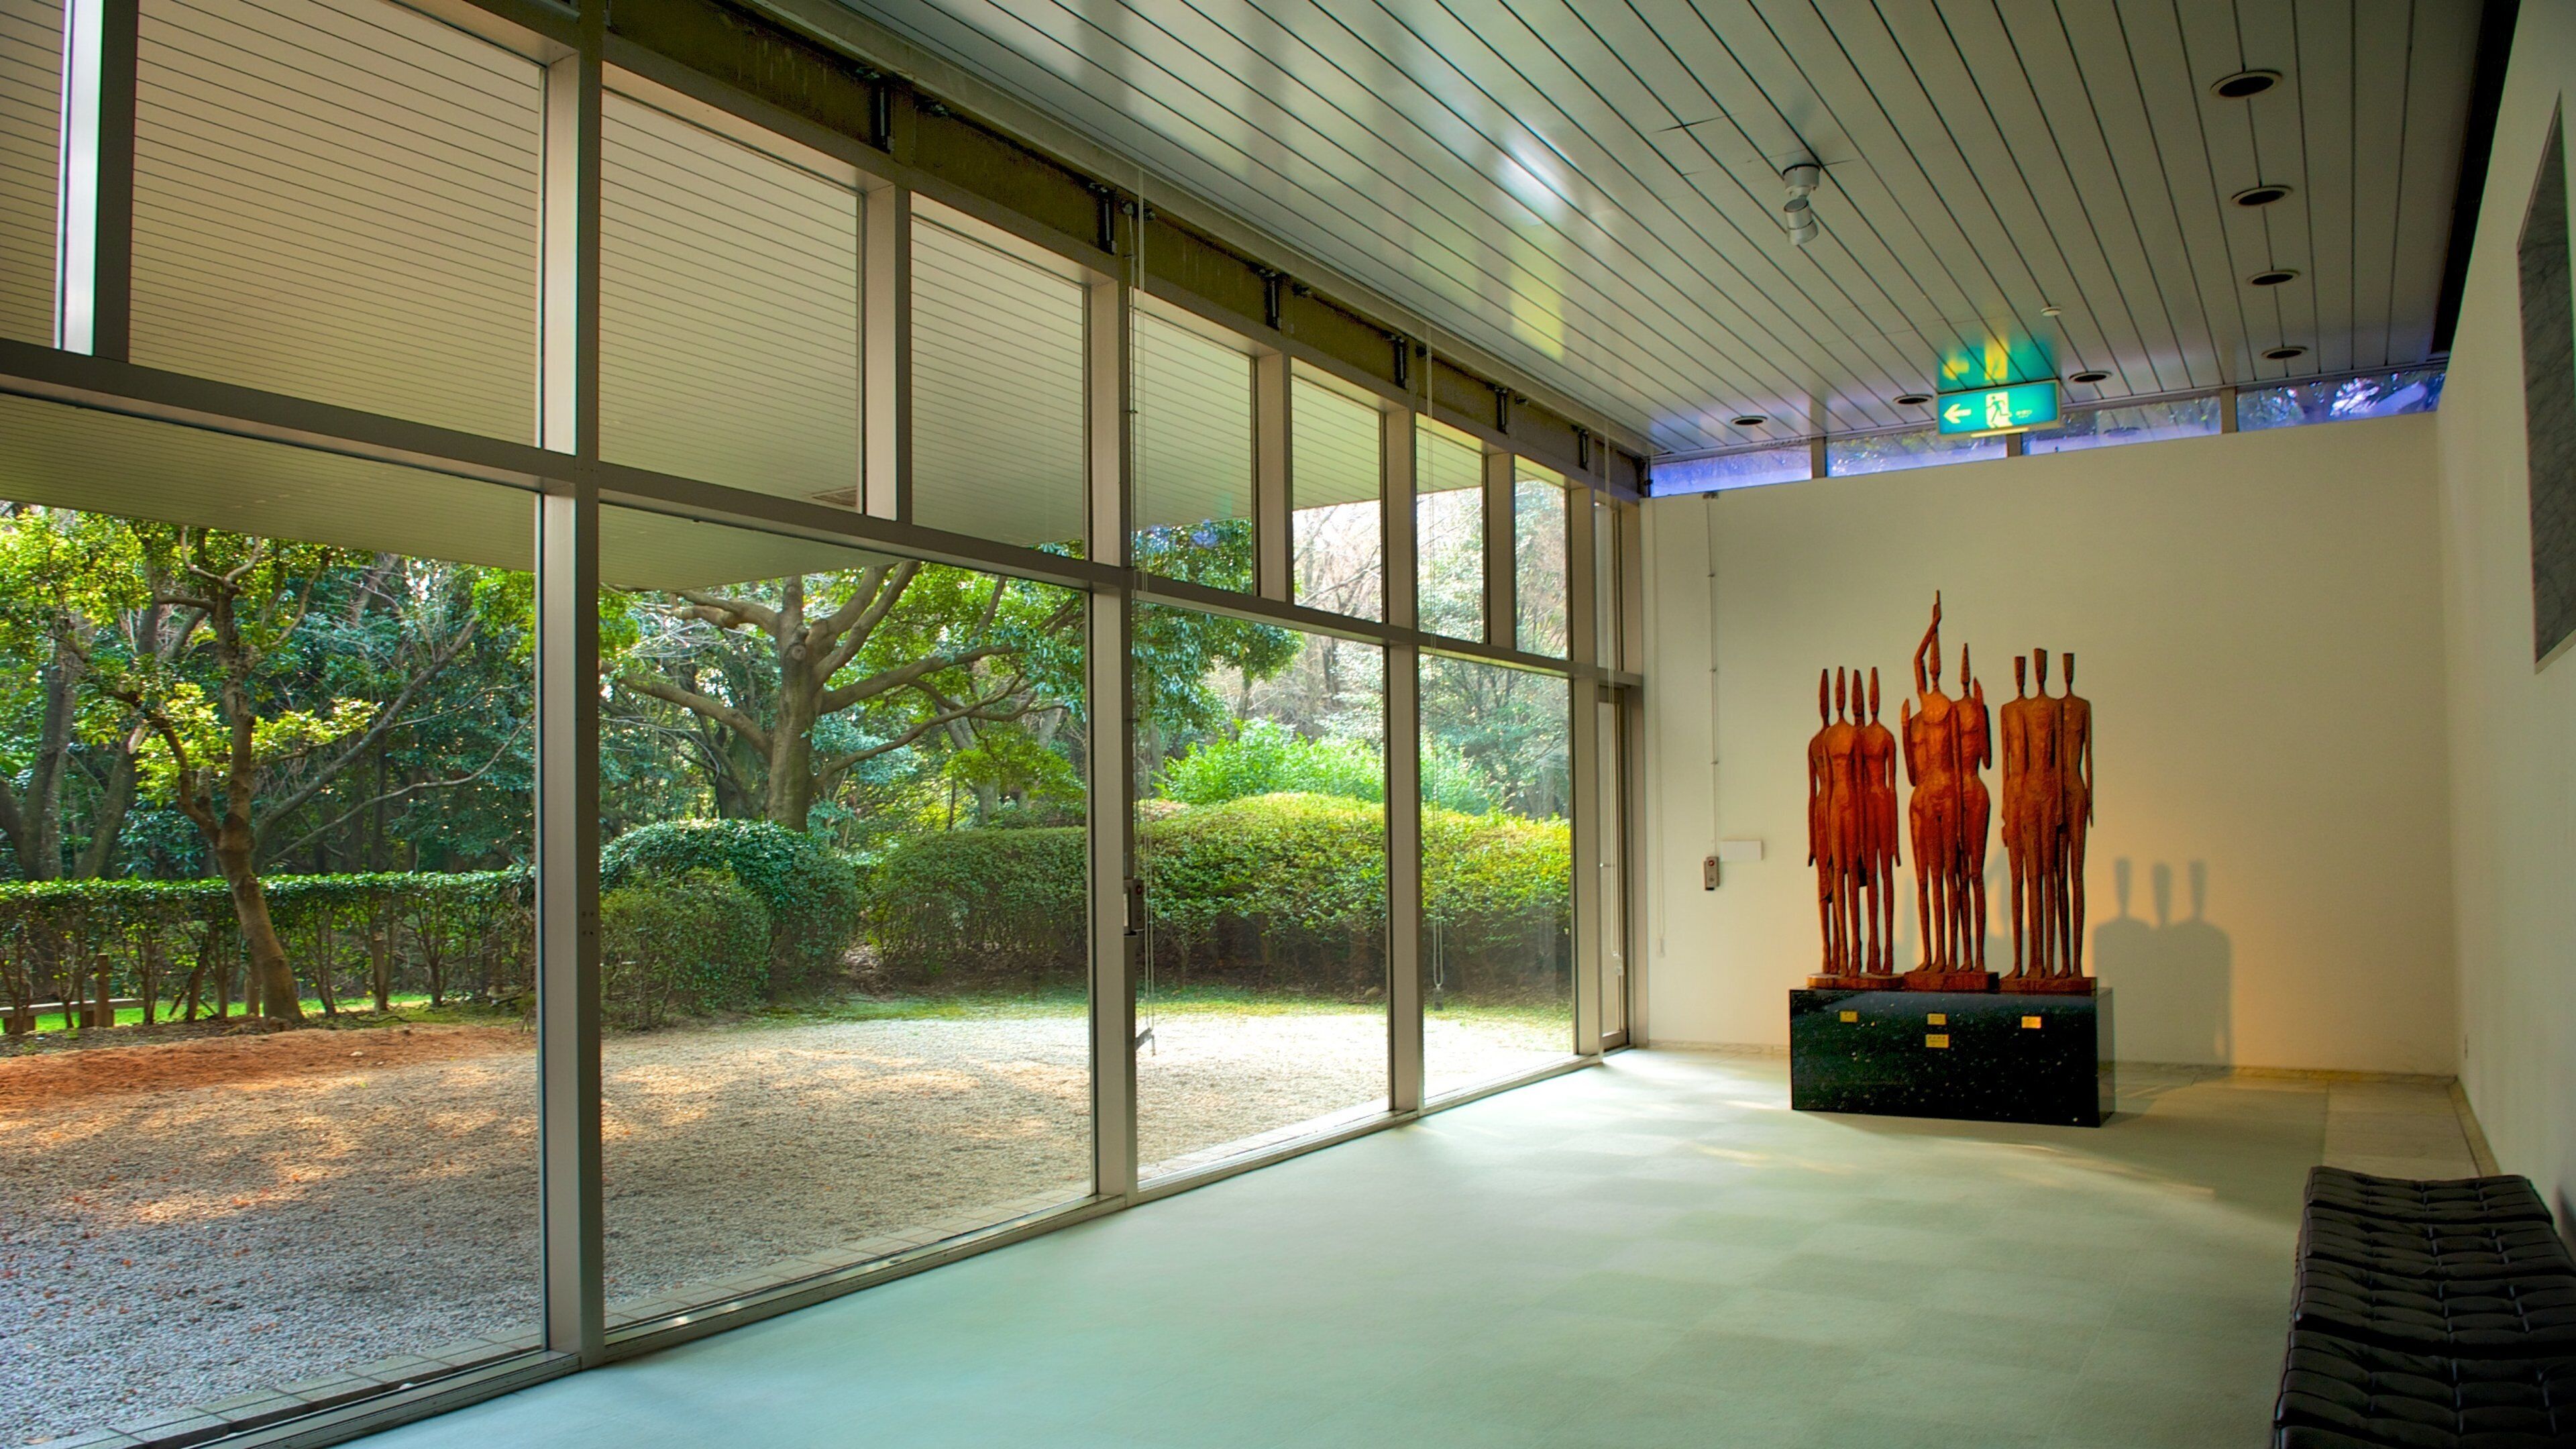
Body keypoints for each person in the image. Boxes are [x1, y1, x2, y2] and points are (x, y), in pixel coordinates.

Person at [1901, 595, 1960, 970]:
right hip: (1922, 797)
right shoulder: (1919, 718)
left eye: (1937, 663)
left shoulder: (1949, 711)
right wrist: (1906, 731)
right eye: (1930, 663)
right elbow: (1910, 774)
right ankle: (1930, 956)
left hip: (1946, 795)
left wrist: (1935, 627)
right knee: (1924, 880)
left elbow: (1955, 763)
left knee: (1948, 875)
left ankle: (1950, 956)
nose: (1931, 668)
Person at [1857, 667, 1900, 974]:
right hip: (1866, 807)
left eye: (1873, 698)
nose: (1870, 703)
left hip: (1883, 803)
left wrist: (1896, 839)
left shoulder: (1885, 736)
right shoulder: (1856, 739)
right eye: (1866, 699)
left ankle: (1886, 952)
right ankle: (1870, 951)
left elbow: (1895, 784)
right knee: (1870, 876)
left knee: (1885, 874)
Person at [2057, 651, 2094, 977]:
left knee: (2075, 876)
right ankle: (2064, 963)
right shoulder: (2055, 710)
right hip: (2059, 792)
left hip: (2077, 790)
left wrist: (2091, 798)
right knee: (2059, 880)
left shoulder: (2082, 707)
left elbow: (2090, 756)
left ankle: (2075, 964)